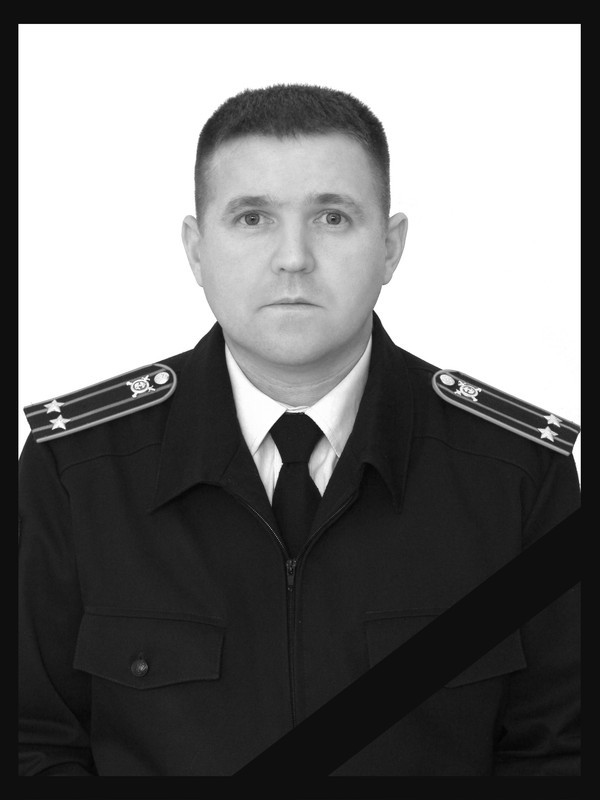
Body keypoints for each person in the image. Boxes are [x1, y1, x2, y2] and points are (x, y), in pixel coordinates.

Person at [18, 84, 580, 777]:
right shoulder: (78, 471)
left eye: (333, 218)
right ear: (196, 250)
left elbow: (561, 753)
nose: (293, 257)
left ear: (391, 248)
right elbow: (31, 747)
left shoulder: (517, 475)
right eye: (252, 218)